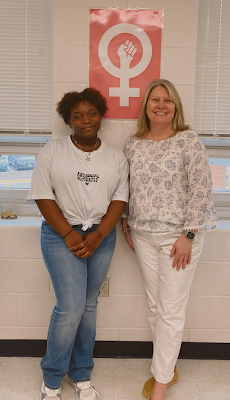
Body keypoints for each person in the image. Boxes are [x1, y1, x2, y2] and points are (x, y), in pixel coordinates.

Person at [27, 88, 129, 400]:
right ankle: (52, 379)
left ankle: (81, 372)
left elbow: (119, 199)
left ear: (101, 116)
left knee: (88, 306)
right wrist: (69, 234)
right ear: (68, 121)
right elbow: (43, 196)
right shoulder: (52, 151)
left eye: (92, 113)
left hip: (102, 234)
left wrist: (98, 235)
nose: (86, 120)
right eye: (78, 116)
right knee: (69, 307)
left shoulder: (115, 156)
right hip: (61, 233)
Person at [121, 79, 217, 400]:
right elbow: (126, 187)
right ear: (146, 106)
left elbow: (202, 189)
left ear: (176, 106)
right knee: (154, 304)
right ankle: (169, 366)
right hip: (142, 234)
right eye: (155, 99)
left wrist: (189, 234)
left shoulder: (188, 140)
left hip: (179, 237)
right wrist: (125, 224)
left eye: (167, 100)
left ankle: (160, 382)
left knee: (171, 310)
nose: (161, 105)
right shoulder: (133, 143)